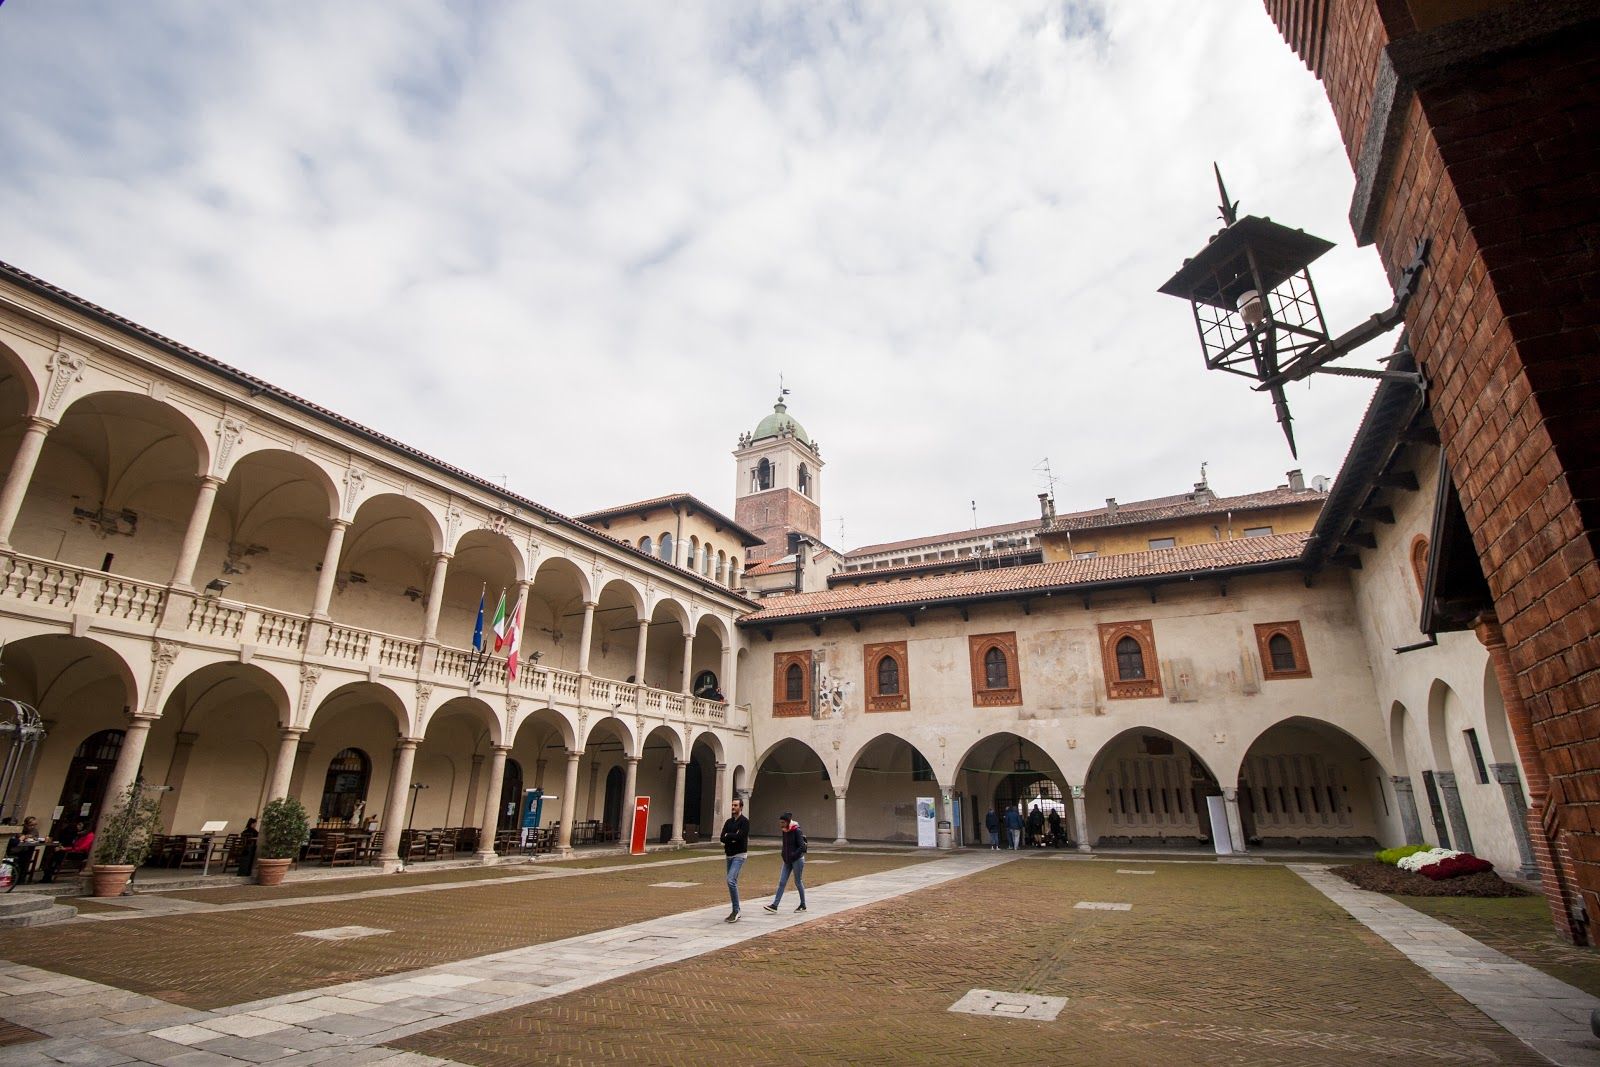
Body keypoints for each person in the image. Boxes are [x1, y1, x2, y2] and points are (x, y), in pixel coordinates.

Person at [762, 812, 807, 914]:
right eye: (780, 822)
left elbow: (802, 847)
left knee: (798, 882)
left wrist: (792, 855)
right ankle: (775, 905)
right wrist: (783, 854)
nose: (781, 824)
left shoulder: (797, 830)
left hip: (797, 860)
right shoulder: (785, 830)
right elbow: (785, 844)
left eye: (782, 822)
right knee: (782, 882)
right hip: (787, 860)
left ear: (787, 822)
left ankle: (803, 905)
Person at [719, 795, 749, 923]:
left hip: (739, 855)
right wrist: (732, 836)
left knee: (730, 880)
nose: (733, 807)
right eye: (732, 805)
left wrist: (729, 836)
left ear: (741, 807)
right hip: (729, 855)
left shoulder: (744, 822)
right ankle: (735, 909)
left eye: (735, 805)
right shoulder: (728, 822)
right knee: (732, 882)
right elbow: (721, 837)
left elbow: (741, 837)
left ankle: (736, 910)